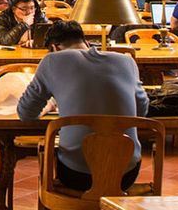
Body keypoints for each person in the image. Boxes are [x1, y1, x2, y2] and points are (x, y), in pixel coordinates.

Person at [18, 21, 149, 193]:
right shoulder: (126, 61)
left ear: (55, 48)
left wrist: (52, 104)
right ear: (86, 42)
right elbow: (142, 110)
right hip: (126, 173)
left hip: (77, 174)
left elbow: (26, 113)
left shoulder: (52, 61)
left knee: (50, 153)